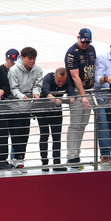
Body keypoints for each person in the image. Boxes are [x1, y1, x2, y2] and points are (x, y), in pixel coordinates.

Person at [63, 28, 96, 168]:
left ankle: (77, 154)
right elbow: (75, 76)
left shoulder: (91, 49)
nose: (85, 44)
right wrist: (83, 96)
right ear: (78, 38)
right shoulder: (72, 53)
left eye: (88, 42)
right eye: (83, 41)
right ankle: (71, 156)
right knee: (75, 125)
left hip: (89, 90)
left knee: (83, 124)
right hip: (78, 92)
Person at [6, 47, 42, 170]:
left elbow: (37, 85)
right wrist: (23, 97)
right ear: (23, 58)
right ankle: (15, 158)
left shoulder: (37, 70)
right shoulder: (14, 70)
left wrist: (36, 93)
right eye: (29, 58)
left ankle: (20, 158)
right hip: (14, 106)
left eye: (34, 59)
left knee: (25, 134)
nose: (32, 61)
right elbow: (13, 88)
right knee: (16, 134)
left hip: (27, 108)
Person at [36, 67, 72, 170]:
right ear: (54, 76)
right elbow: (45, 89)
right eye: (59, 81)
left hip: (56, 110)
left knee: (57, 137)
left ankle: (57, 163)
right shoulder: (48, 78)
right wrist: (53, 99)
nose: (61, 83)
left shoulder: (66, 80)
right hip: (43, 110)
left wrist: (72, 97)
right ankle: (45, 163)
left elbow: (70, 89)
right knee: (44, 135)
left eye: (63, 81)